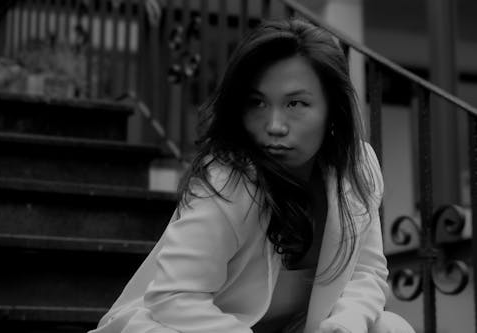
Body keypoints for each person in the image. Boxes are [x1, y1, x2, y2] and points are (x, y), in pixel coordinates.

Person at [89, 19, 415, 333]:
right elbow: (173, 297)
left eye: (295, 103)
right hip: (179, 326)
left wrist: (346, 323)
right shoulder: (226, 179)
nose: (274, 125)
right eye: (257, 102)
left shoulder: (357, 166)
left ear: (332, 109)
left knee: (390, 327)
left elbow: (367, 272)